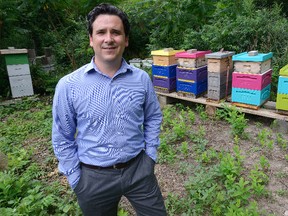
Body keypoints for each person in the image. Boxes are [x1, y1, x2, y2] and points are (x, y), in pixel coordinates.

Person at [52, 3, 167, 216]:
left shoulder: (141, 79)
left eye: (116, 32)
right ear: (91, 39)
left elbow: (152, 116)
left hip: (139, 170)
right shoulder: (69, 85)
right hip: (93, 179)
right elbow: (62, 136)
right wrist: (76, 179)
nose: (109, 38)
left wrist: (150, 156)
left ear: (126, 39)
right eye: (101, 32)